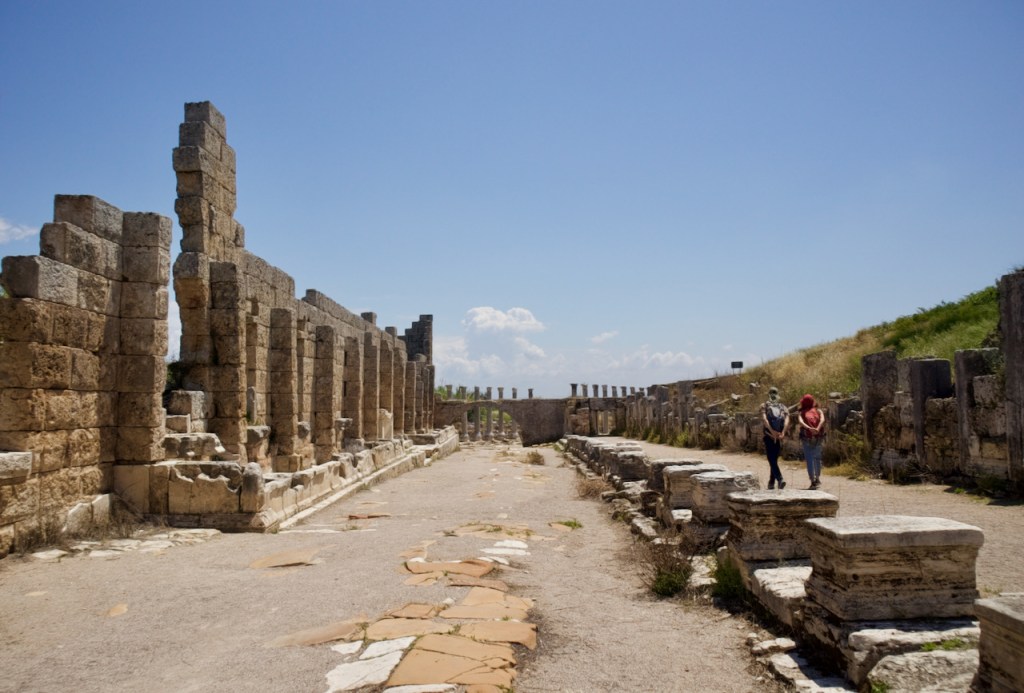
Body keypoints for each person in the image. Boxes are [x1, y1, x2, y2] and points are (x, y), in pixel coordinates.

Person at [760, 387, 789, 490]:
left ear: (769, 394)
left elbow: (764, 420)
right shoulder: (783, 407)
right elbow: (787, 420)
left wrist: (772, 431)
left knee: (771, 459)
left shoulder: (764, 405)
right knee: (774, 459)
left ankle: (779, 479)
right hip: (779, 436)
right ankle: (771, 482)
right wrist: (783, 432)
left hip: (769, 436)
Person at [798, 394, 826, 489]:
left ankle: (812, 480)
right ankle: (817, 478)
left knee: (809, 459)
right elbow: (822, 419)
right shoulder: (818, 410)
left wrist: (809, 428)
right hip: (818, 437)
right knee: (817, 458)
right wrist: (817, 428)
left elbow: (801, 422)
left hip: (806, 437)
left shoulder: (801, 412)